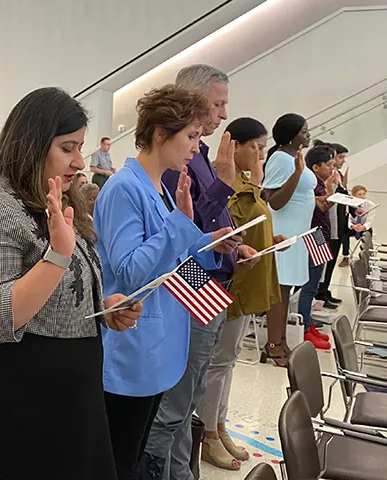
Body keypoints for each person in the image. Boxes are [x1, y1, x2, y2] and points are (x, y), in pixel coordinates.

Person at [0, 86, 142, 480]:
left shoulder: (51, 196)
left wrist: (102, 309)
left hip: (72, 394)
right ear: (33, 145)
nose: (79, 161)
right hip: (26, 397)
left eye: (80, 148)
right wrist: (57, 255)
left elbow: (52, 293)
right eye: (68, 148)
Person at [95, 85, 240, 480]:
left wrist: (207, 244)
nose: (197, 146)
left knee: (141, 447)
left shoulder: (158, 187)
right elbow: (131, 272)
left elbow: (172, 260)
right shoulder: (125, 188)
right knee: (123, 458)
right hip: (135, 346)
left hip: (160, 345)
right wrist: (180, 226)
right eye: (190, 136)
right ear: (161, 133)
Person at [144, 65, 249, 480]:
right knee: (177, 398)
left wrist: (235, 245)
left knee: (192, 392)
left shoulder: (199, 154)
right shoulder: (176, 160)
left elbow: (207, 226)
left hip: (209, 276)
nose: (223, 115)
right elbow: (182, 231)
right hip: (190, 279)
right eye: (217, 104)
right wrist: (224, 184)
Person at [195, 118, 283, 471]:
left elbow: (246, 229)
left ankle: (218, 424)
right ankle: (208, 434)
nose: (261, 154)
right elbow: (213, 227)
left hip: (242, 277)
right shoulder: (226, 183)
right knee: (216, 363)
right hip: (224, 281)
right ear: (235, 145)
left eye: (264, 147)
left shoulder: (247, 183)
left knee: (227, 360)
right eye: (256, 147)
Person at [261, 113, 314, 365]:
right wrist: (298, 173)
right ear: (293, 135)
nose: (308, 134)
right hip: (284, 231)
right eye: (304, 130)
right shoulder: (281, 159)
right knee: (279, 292)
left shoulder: (294, 158)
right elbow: (275, 201)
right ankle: (273, 344)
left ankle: (281, 340)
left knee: (287, 289)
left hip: (298, 232)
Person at [297, 146, 336, 349]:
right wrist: (327, 195)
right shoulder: (311, 187)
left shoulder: (320, 185)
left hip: (321, 235)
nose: (332, 168)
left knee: (314, 285)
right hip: (314, 236)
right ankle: (303, 328)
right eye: (328, 165)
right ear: (315, 167)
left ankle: (308, 323)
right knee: (309, 285)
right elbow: (315, 207)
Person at [316, 141, 348, 303]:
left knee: (324, 264)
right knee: (316, 268)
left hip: (332, 226)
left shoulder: (333, 177)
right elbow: (323, 203)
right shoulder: (316, 183)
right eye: (339, 157)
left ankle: (322, 292)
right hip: (319, 230)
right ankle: (317, 296)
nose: (333, 166)